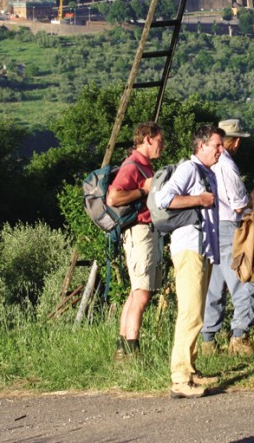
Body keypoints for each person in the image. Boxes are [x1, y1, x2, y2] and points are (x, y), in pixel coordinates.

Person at [154, 125, 224, 399]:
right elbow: (163, 198)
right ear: (201, 146)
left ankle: (190, 369)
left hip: (201, 249)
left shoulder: (206, 172)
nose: (221, 150)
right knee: (191, 312)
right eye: (217, 145)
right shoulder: (189, 169)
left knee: (197, 311)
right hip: (189, 249)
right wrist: (199, 199)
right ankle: (180, 378)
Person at [200, 119, 254, 356]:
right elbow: (238, 204)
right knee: (244, 280)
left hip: (210, 226)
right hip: (229, 226)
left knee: (214, 286)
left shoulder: (206, 163)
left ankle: (208, 339)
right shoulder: (227, 165)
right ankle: (240, 336)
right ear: (235, 141)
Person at [105, 121, 164, 358]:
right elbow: (114, 198)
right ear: (148, 139)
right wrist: (144, 191)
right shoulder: (133, 166)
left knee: (136, 291)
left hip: (142, 232)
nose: (163, 146)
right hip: (140, 232)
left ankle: (122, 349)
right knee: (142, 293)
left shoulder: (143, 165)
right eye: (160, 141)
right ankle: (133, 348)